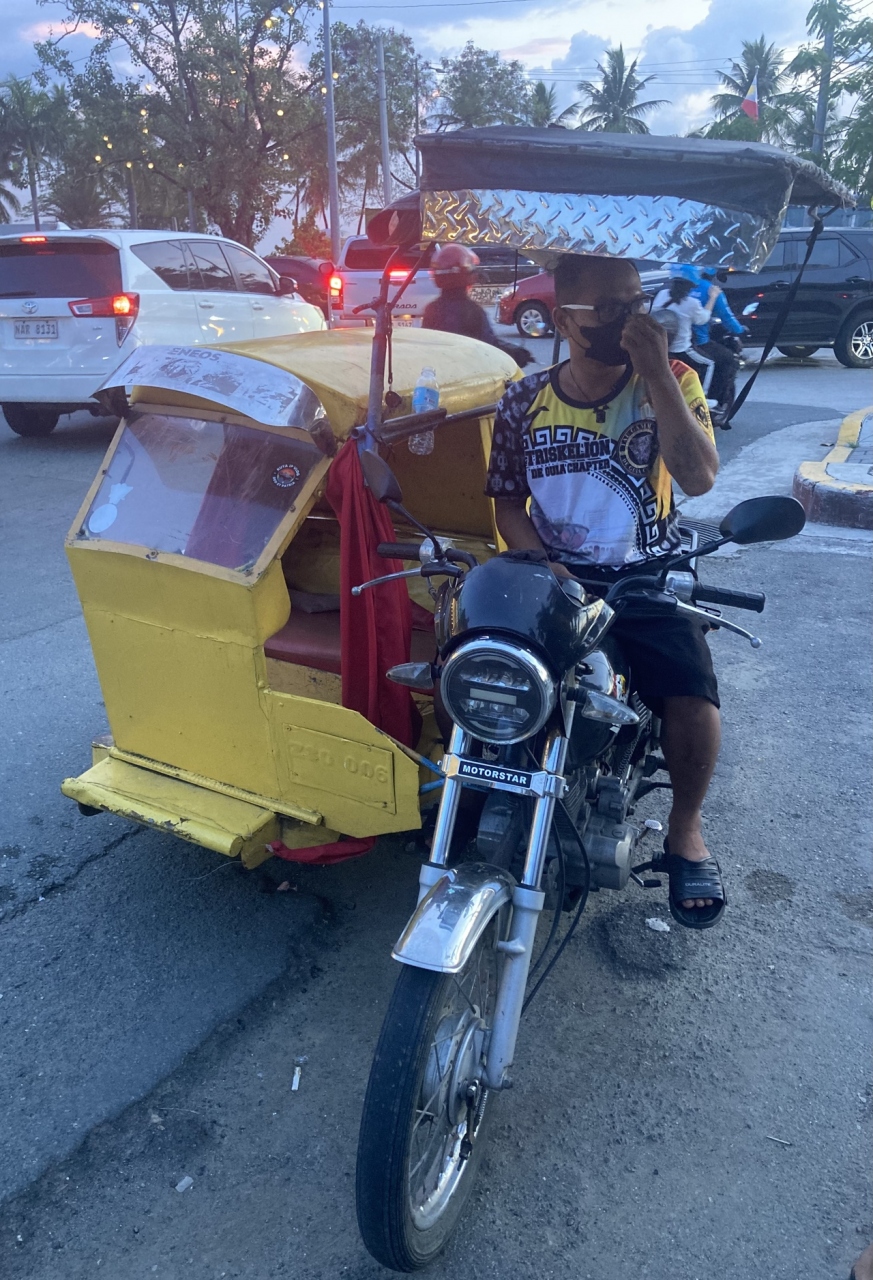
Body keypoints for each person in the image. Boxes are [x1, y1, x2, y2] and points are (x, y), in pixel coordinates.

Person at [485, 252, 726, 928]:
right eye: (612, 308)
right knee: (485, 667)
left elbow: (699, 477)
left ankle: (685, 829)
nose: (631, 319)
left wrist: (657, 374)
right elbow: (506, 503)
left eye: (637, 303)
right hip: (552, 575)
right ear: (564, 320)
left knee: (691, 692)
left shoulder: (676, 379)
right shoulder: (523, 399)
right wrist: (543, 565)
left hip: (644, 574)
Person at [421, 244, 534, 367]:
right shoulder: (472, 312)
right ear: (467, 275)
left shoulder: (431, 310)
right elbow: (489, 348)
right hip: (469, 373)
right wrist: (517, 355)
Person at [689, 265, 746, 421]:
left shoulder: (669, 292)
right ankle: (713, 403)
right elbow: (726, 317)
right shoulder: (711, 291)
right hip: (697, 343)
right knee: (728, 360)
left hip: (671, 344)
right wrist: (740, 330)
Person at [652, 273, 720, 385]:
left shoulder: (662, 294)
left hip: (660, 347)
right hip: (680, 349)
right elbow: (703, 319)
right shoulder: (691, 303)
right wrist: (713, 297)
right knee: (709, 364)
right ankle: (703, 394)